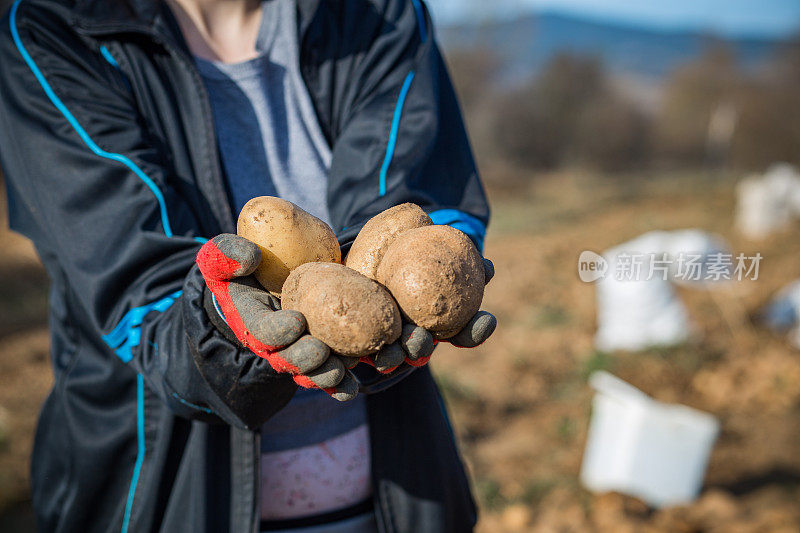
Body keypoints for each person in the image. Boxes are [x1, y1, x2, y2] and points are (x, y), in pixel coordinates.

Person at [0, 0, 494, 531]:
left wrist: (422, 281)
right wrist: (221, 330)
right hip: (162, 502)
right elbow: (141, 294)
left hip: (397, 496)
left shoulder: (375, 11)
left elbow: (416, 205)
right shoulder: (51, 27)